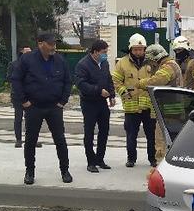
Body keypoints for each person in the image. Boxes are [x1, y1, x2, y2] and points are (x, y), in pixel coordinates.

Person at [10, 32, 72, 185]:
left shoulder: (60, 60)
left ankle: (65, 170)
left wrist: (62, 101)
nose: (53, 47)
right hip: (34, 107)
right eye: (50, 44)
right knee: (30, 141)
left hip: (54, 107)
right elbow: (16, 80)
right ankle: (29, 171)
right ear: (40, 44)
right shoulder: (27, 59)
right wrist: (24, 101)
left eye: (54, 44)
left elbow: (68, 81)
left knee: (60, 140)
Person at [113, 34, 156, 168]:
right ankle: (131, 159)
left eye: (141, 49)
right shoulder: (122, 63)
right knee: (131, 135)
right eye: (135, 49)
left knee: (151, 135)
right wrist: (124, 93)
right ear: (131, 49)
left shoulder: (152, 62)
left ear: (145, 49)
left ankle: (152, 158)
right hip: (131, 107)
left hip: (149, 107)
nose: (138, 52)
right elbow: (116, 80)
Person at [75, 39, 115, 173]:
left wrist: (112, 95)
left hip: (102, 103)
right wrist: (98, 90)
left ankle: (100, 159)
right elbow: (81, 84)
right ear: (95, 52)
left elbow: (109, 79)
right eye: (104, 52)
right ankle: (90, 161)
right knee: (89, 132)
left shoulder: (104, 63)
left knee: (104, 131)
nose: (105, 55)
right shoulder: (83, 65)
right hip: (89, 103)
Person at [139, 44, 182, 168]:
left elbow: (156, 81)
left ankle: (161, 168)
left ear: (156, 58)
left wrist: (140, 83)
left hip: (168, 110)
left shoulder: (167, 67)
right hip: (172, 109)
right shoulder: (171, 65)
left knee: (162, 141)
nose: (151, 64)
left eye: (151, 61)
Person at [7, 47, 41, 149]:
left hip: (31, 96)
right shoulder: (13, 64)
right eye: (27, 53)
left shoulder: (36, 64)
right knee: (18, 118)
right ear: (22, 54)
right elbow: (9, 78)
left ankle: (32, 140)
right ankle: (18, 140)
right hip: (18, 95)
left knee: (32, 119)